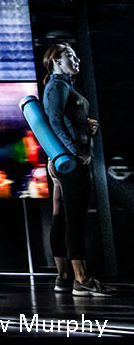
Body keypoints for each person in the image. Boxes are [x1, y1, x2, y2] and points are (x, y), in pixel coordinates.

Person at [41, 44, 116, 297]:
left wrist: (85, 125)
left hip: (64, 160)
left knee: (62, 216)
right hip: (70, 162)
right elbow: (55, 120)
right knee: (74, 218)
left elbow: (65, 119)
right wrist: (76, 151)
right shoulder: (58, 85)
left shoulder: (62, 85)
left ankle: (64, 277)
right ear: (56, 61)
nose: (77, 59)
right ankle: (81, 279)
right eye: (70, 56)